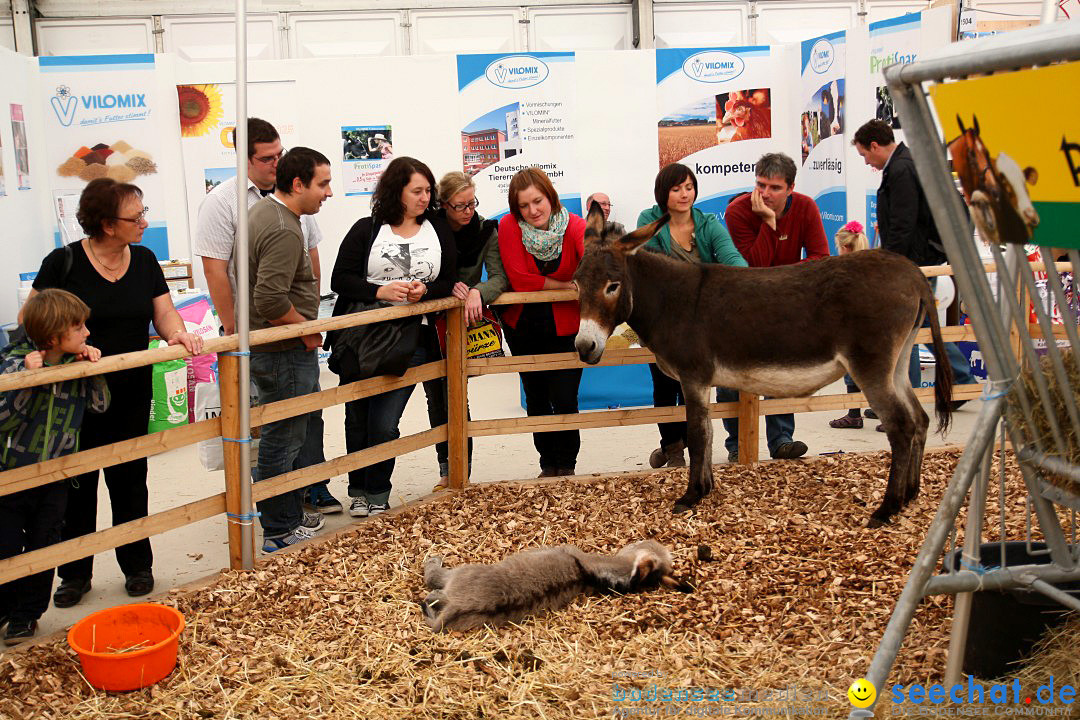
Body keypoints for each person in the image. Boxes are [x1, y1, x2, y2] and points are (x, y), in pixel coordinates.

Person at [22, 178, 203, 608]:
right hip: (75, 395)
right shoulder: (63, 262)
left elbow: (163, 312)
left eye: (144, 212)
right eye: (135, 216)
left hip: (130, 389)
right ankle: (75, 572)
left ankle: (137, 565)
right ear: (106, 223)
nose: (144, 222)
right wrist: (53, 353)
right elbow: (33, 318)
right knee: (78, 484)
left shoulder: (142, 260)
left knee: (129, 479)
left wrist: (179, 334)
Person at [194, 118, 339, 515]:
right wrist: (236, 329)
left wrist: (308, 313)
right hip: (268, 333)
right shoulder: (226, 203)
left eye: (280, 155)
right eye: (266, 158)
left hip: (290, 326)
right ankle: (278, 512)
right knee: (275, 427)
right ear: (243, 158)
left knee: (303, 416)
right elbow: (218, 270)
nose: (276, 163)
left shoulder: (287, 210)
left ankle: (309, 488)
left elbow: (309, 257)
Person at [330, 157, 457, 516]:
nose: (424, 197)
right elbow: (340, 279)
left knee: (384, 421)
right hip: (360, 336)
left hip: (413, 339)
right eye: (417, 190)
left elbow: (448, 279)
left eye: (428, 190)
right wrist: (379, 291)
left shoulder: (437, 228)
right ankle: (358, 487)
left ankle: (377, 491)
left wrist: (426, 291)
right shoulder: (366, 228)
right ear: (396, 191)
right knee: (357, 415)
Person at [0, 290, 109, 645]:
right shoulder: (14, 363)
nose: (87, 333)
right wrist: (26, 382)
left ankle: (26, 615)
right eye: (78, 327)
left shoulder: (75, 363)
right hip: (12, 475)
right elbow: (3, 420)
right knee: (6, 545)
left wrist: (94, 369)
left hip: (57, 475)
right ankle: (4, 605)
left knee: (45, 544)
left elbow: (100, 406)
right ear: (52, 336)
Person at [853, 119, 977, 402]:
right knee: (918, 325)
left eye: (864, 155)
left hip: (914, 264)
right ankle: (958, 379)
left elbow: (903, 224)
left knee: (906, 328)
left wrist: (890, 265)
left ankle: (908, 396)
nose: (866, 162)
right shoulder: (905, 164)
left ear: (874, 145)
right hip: (916, 261)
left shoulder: (902, 169)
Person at [247, 147, 333, 553]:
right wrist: (306, 331)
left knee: (285, 433)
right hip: (282, 349)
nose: (328, 193)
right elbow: (269, 299)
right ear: (298, 184)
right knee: (285, 436)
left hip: (276, 346)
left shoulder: (268, 213)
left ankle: (286, 518)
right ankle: (279, 527)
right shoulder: (283, 228)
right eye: (323, 184)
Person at [636, 164, 747, 468]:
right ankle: (672, 448)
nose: (684, 194)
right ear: (663, 193)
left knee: (716, 384)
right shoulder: (649, 220)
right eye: (676, 188)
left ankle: (736, 445)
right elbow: (653, 266)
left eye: (688, 187)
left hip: (706, 324)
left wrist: (748, 280)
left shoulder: (708, 223)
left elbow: (733, 259)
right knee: (665, 384)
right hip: (663, 322)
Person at [721, 152, 829, 461]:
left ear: (791, 188)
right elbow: (752, 267)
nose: (765, 193)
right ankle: (737, 445)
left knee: (781, 370)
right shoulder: (738, 211)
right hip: (742, 306)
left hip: (785, 306)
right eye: (760, 184)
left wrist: (784, 282)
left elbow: (821, 257)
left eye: (774, 187)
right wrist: (769, 224)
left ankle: (782, 439)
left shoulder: (806, 206)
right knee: (732, 377)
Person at [498, 167, 585, 477]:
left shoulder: (574, 224)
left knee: (564, 397)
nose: (532, 211)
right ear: (515, 207)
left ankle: (567, 465)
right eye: (524, 205)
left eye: (538, 201)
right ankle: (547, 464)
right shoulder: (508, 225)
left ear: (551, 197)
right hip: (523, 326)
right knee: (536, 395)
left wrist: (578, 283)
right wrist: (565, 287)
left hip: (566, 325)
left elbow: (591, 265)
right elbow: (520, 280)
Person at [429, 171, 508, 490]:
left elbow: (499, 278)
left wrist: (478, 291)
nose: (468, 211)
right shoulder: (428, 229)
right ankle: (445, 470)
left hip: (462, 325)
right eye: (460, 205)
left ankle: (461, 472)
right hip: (427, 322)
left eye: (472, 203)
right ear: (443, 204)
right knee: (437, 398)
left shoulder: (486, 229)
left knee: (457, 397)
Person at [828, 221, 871, 429]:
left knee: (852, 372)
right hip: (872, 328)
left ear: (844, 247)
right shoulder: (872, 266)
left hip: (852, 329)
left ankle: (854, 414)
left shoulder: (844, 270)